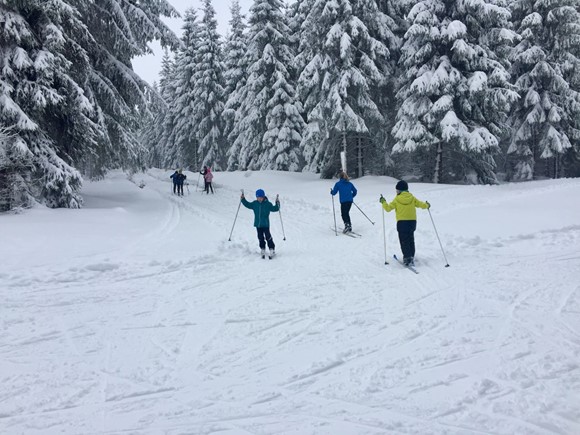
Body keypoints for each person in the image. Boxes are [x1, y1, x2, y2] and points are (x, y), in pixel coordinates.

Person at [380, 180, 430, 266]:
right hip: (412, 222)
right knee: (411, 239)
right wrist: (427, 205)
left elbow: (388, 209)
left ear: (399, 190)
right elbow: (421, 205)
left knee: (404, 241)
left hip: (402, 223)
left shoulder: (397, 199)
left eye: (397, 190)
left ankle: (407, 258)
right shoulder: (412, 197)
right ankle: (411, 256)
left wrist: (383, 202)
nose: (396, 192)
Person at [241, 189, 280, 258]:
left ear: (264, 196)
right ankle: (262, 248)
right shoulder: (255, 204)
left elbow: (275, 209)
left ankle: (272, 249)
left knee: (268, 237)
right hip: (258, 225)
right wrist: (243, 199)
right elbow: (248, 204)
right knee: (260, 237)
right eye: (258, 197)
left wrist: (277, 203)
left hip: (265, 224)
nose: (259, 199)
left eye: (261, 197)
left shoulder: (268, 204)